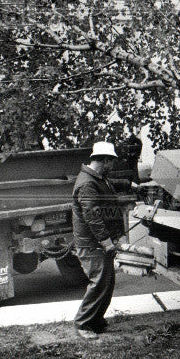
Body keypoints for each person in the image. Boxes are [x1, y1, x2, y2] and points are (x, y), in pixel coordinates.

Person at [71, 141, 126, 339]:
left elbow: (110, 188)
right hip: (92, 243)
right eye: (111, 162)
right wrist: (106, 242)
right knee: (99, 282)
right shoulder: (87, 184)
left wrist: (131, 184)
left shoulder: (99, 178)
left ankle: (96, 319)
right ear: (104, 160)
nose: (113, 166)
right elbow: (92, 217)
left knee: (107, 282)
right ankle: (83, 323)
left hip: (99, 242)